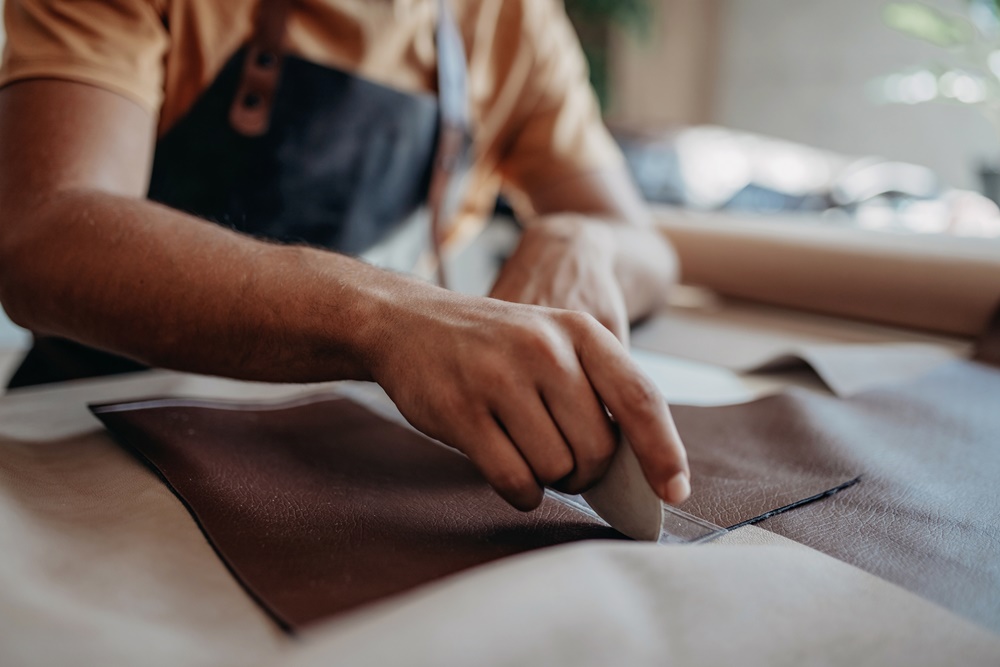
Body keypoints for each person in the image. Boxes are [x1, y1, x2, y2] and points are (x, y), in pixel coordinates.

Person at [0, 0, 690, 512]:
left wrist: (582, 237)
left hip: (336, 464)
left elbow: (648, 252)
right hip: (88, 446)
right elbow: (42, 230)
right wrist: (384, 316)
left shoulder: (513, 22)